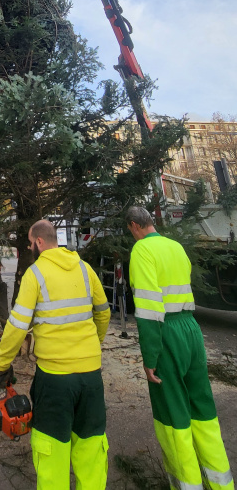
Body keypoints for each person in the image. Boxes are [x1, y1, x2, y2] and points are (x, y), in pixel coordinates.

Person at [0, 220, 111, 490]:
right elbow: (103, 312)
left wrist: (2, 365)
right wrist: (93, 346)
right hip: (91, 378)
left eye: (30, 242)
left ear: (39, 243)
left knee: (52, 454)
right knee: (91, 451)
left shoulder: (36, 273)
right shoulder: (85, 269)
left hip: (56, 380)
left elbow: (18, 325)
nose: (29, 247)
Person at [126, 205, 234, 490]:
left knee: (173, 416)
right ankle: (222, 483)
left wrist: (150, 356)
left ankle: (187, 484)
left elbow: (149, 309)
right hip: (191, 331)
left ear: (134, 226)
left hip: (166, 334)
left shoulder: (141, 251)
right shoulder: (176, 248)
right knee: (203, 410)